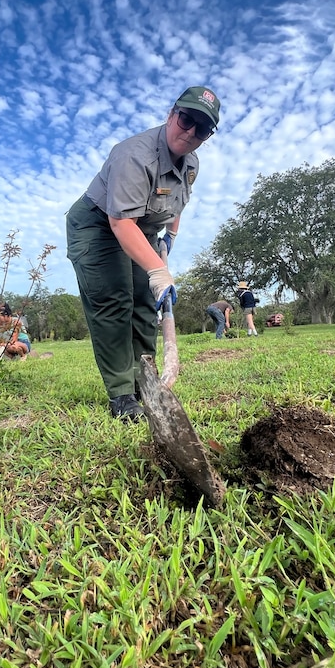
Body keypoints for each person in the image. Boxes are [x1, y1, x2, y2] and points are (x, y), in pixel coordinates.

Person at [66, 86, 221, 419]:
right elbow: (121, 224)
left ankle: (145, 382)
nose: (191, 132)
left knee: (145, 302)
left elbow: (177, 200)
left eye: (203, 128)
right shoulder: (134, 155)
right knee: (114, 301)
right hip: (99, 225)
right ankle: (122, 396)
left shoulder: (191, 161)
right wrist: (158, 271)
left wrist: (170, 238)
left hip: (145, 228)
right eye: (186, 119)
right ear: (171, 115)